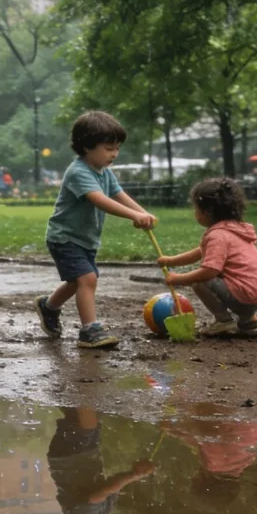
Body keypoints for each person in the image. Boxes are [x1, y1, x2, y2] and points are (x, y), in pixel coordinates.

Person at [33, 111, 157, 349]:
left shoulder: (104, 172)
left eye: (117, 148)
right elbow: (99, 200)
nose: (114, 154)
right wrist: (134, 215)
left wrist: (143, 213)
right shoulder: (78, 172)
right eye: (109, 148)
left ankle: (48, 306)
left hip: (85, 238)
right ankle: (90, 330)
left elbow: (118, 194)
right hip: (65, 237)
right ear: (87, 147)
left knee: (76, 282)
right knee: (87, 278)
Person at [156, 177, 257, 338]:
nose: (194, 213)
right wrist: (170, 261)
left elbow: (210, 270)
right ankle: (248, 321)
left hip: (243, 297)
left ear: (207, 211)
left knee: (199, 280)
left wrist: (178, 279)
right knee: (233, 275)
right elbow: (199, 252)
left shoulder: (217, 236)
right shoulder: (234, 230)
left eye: (195, 208)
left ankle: (223, 321)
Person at [48, 407, 154, 514]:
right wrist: (135, 471)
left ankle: (83, 385)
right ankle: (66, 389)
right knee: (89, 418)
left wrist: (133, 475)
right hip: (85, 456)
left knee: (87, 425)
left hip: (69, 458)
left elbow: (99, 494)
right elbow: (112, 485)